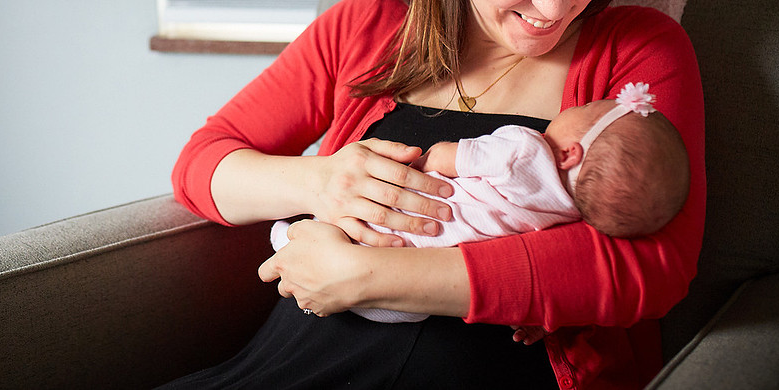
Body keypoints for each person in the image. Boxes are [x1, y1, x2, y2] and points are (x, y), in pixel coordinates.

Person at [165, 0, 704, 389]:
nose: (554, 5)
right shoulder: (365, 27)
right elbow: (199, 167)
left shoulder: (637, 54)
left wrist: (371, 278)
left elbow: (650, 267)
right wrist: (324, 181)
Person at [269, 82, 690, 324]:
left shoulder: (525, 149)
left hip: (400, 228)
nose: (574, 104)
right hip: (418, 297)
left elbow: (447, 156)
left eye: (583, 107)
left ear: (569, 155)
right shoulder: (565, 216)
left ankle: (289, 237)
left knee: (324, 229)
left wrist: (428, 158)